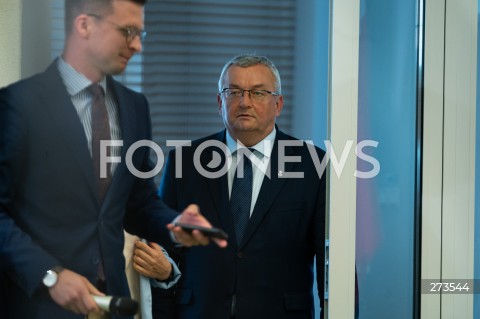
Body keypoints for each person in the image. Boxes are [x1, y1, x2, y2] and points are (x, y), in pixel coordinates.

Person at [0, 0, 226, 318]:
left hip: (114, 305)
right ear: (84, 26)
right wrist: (49, 275)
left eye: (140, 34)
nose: (137, 46)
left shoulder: (135, 107)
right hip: (39, 306)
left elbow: (137, 202)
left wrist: (175, 226)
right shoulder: (18, 104)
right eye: (127, 32)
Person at [158, 54, 327, 319]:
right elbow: (163, 252)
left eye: (258, 93)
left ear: (278, 104)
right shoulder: (184, 161)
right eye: (233, 91)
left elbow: (330, 262)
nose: (244, 102)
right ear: (219, 102)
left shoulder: (314, 164)